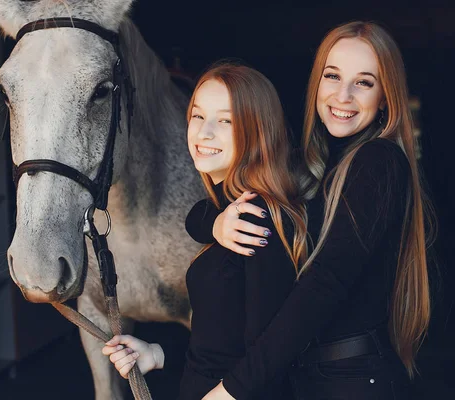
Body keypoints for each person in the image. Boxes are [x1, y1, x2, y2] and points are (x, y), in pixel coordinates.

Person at [186, 21, 435, 400]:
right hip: (312, 376)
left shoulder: (378, 161)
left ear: (386, 97)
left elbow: (326, 281)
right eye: (332, 76)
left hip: (350, 380)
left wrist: (232, 390)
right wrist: (215, 223)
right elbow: (222, 209)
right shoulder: (315, 165)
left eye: (364, 82)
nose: (343, 95)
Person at [102, 62, 309, 399]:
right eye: (197, 115)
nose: (204, 132)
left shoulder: (254, 220)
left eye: (225, 120)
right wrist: (157, 353)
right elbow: (224, 342)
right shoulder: (225, 212)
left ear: (258, 131)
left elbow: (268, 355)